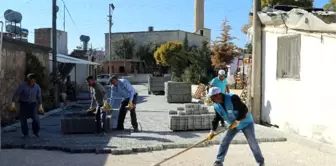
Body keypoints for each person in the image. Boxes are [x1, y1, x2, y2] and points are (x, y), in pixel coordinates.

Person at [206, 87, 265, 166]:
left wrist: (237, 121)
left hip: (246, 122)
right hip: (232, 125)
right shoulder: (216, 105)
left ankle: (260, 162)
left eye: (213, 98)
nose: (212, 100)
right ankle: (219, 161)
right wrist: (212, 131)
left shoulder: (232, 98)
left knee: (252, 142)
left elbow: (244, 110)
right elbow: (217, 118)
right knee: (224, 140)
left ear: (218, 95)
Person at [10, 73, 44, 138]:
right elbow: (16, 94)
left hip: (33, 104)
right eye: (31, 80)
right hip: (24, 104)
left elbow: (39, 97)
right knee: (23, 119)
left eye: (33, 80)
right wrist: (13, 105)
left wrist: (40, 106)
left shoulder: (37, 87)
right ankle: (25, 133)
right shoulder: (22, 86)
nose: (32, 82)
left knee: (35, 118)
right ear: (28, 80)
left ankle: (36, 132)